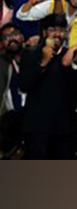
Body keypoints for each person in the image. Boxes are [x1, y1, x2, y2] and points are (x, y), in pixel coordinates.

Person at [20, 14, 77, 159]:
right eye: (52, 29)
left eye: (61, 30)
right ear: (45, 32)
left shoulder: (69, 55)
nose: (57, 34)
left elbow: (75, 88)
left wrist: (75, 63)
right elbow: (24, 85)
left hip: (64, 126)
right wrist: (43, 63)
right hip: (37, 127)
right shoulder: (31, 53)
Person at [0, 24, 26, 158]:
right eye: (6, 37)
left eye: (15, 34)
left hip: (35, 118)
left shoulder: (34, 57)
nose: (12, 39)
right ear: (2, 43)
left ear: (22, 36)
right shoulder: (2, 63)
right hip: (11, 120)